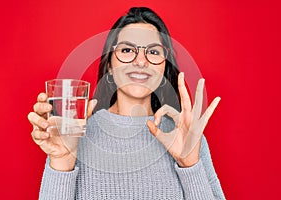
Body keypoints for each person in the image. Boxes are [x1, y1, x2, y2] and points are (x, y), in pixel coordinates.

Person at [28, 7, 225, 199]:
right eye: (127, 49)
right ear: (109, 65)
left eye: (154, 52)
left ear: (164, 68)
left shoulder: (185, 136)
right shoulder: (72, 134)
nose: (140, 61)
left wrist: (190, 165)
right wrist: (62, 161)